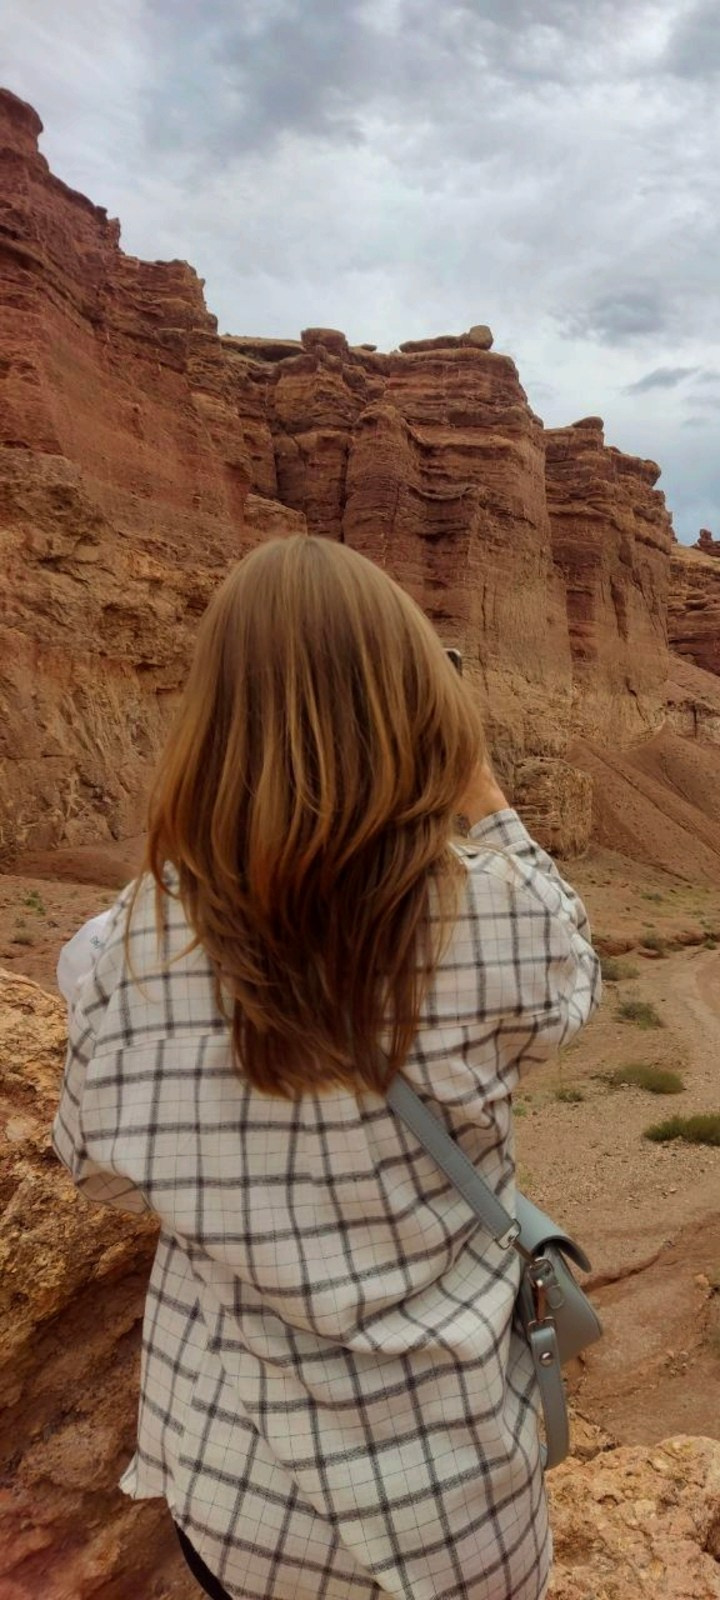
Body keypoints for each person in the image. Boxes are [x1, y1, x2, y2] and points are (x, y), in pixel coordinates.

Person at [51, 535, 601, 1600]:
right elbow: (571, 978)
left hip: (247, 1499)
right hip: (464, 1509)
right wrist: (481, 789)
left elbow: (96, 1166)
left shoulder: (127, 949)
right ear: (419, 707)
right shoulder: (498, 914)